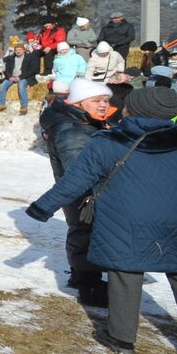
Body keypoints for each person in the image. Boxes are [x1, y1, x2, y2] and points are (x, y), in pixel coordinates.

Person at [28, 86, 177, 354]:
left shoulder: (109, 141)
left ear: (130, 109)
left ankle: (121, 339)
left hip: (125, 223)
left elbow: (75, 181)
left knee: (125, 274)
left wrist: (42, 208)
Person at [39, 78, 116, 305]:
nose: (103, 105)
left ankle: (82, 277)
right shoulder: (72, 128)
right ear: (79, 103)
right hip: (83, 191)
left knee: (85, 232)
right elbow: (79, 169)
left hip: (86, 189)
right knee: (85, 233)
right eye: (96, 100)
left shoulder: (86, 122)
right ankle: (89, 287)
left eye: (106, 100)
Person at [0, 41, 38, 114]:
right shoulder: (11, 58)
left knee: (21, 85)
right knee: (3, 86)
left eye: (20, 49)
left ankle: (24, 106)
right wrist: (9, 77)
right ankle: (1, 104)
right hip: (12, 77)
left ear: (24, 50)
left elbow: (32, 70)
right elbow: (6, 69)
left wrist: (20, 77)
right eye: (16, 50)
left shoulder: (30, 57)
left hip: (24, 77)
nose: (18, 51)